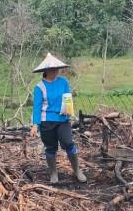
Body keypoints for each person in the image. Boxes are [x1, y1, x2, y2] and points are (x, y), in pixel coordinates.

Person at [29, 53, 87, 184]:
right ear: (46, 70)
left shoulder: (63, 82)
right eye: (52, 69)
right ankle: (53, 173)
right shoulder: (39, 87)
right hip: (46, 121)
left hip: (63, 120)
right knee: (50, 147)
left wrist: (69, 112)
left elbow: (68, 99)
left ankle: (77, 170)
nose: (55, 71)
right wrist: (35, 125)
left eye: (57, 68)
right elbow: (37, 107)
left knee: (69, 143)